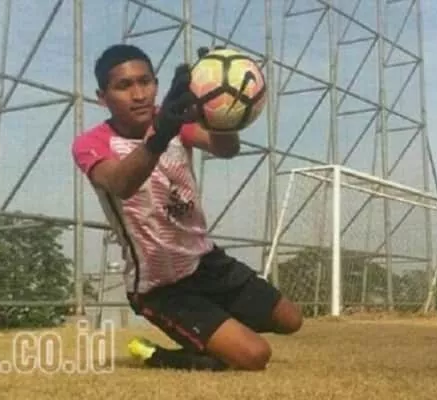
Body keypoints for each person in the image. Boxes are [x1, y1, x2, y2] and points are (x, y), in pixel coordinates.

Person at [71, 43, 303, 371]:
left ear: (156, 84)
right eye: (124, 86)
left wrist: (218, 109)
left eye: (145, 82)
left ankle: (214, 333)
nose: (139, 94)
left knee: (291, 320)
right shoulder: (92, 143)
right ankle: (160, 356)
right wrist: (160, 135)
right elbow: (122, 184)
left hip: (205, 262)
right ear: (102, 97)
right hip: (160, 284)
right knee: (254, 356)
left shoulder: (175, 120)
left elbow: (226, 149)